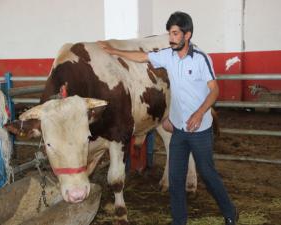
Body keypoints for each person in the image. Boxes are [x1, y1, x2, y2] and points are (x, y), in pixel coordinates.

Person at [99, 11, 237, 225]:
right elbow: (141, 57)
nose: (171, 38)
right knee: (175, 178)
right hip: (180, 130)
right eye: (170, 33)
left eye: (175, 33)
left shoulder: (201, 58)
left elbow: (214, 90)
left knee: (208, 175)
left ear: (187, 35)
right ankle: (179, 221)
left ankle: (230, 212)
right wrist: (112, 50)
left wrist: (200, 113)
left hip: (200, 130)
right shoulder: (168, 55)